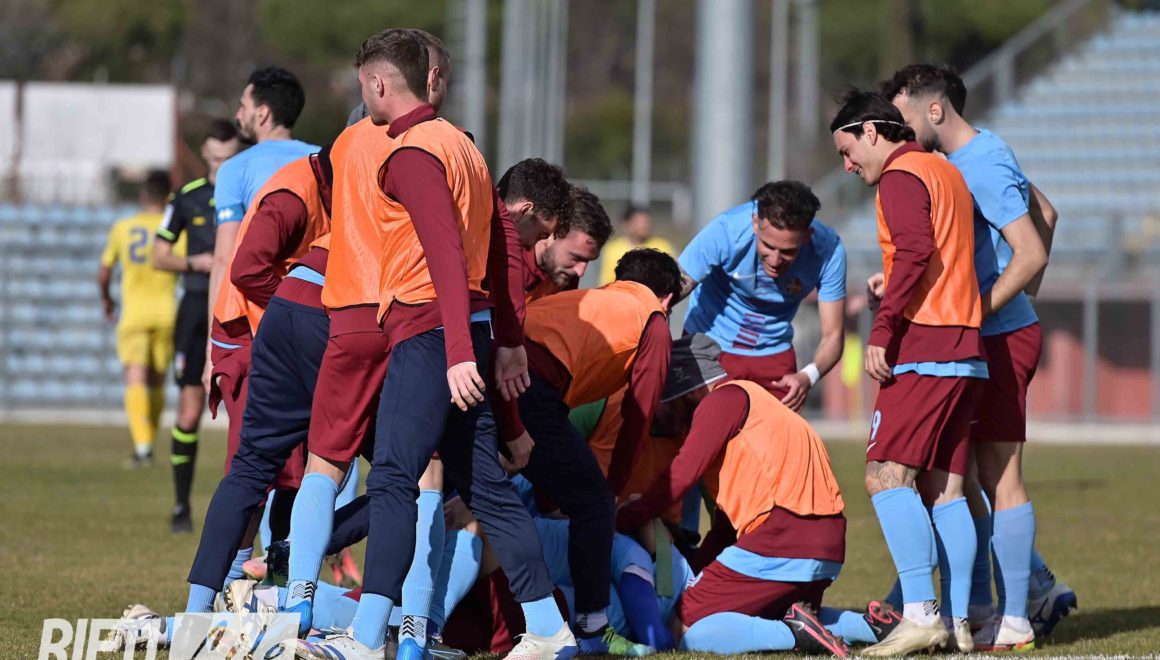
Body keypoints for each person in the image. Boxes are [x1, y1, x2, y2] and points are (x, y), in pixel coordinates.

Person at [294, 29, 571, 660]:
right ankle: (550, 630)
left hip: (428, 333)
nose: (363, 97)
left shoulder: (413, 152)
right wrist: (502, 340)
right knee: (487, 490)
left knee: (393, 478)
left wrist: (456, 352)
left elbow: (444, 251)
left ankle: (367, 639)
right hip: (462, 329)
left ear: (379, 83)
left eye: (363, 86)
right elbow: (499, 248)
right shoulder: (464, 146)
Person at [882, 63, 1072, 650]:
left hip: (997, 338)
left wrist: (980, 309)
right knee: (960, 480)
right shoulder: (978, 154)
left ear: (935, 109)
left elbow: (1031, 250)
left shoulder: (980, 162)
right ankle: (987, 605)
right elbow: (1047, 212)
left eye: (904, 117)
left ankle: (1018, 616)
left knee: (998, 476)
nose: (900, 130)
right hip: (989, 334)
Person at [830, 89, 987, 655]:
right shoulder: (943, 169)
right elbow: (936, 253)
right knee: (945, 489)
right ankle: (959, 619)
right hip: (966, 346)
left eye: (847, 151)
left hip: (928, 345)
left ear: (871, 131)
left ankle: (921, 614)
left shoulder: (899, 175)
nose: (848, 166)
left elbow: (917, 251)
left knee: (884, 475)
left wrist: (883, 327)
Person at [616, 334, 850, 657]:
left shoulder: (722, 401)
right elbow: (726, 527)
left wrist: (624, 518)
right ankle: (874, 625)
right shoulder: (756, 408)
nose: (659, 412)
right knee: (770, 615)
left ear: (686, 387)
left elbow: (680, 475)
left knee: (684, 630)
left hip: (782, 537)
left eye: (663, 399)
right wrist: (698, 572)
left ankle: (794, 635)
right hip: (826, 543)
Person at [495, 248, 678, 655]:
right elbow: (639, 414)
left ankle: (401, 613)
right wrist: (611, 493)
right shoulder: (650, 322)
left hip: (493, 363)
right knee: (593, 502)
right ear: (666, 300)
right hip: (529, 387)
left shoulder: (596, 302)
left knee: (422, 486)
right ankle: (591, 631)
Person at [677, 181, 846, 411]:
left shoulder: (829, 251)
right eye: (768, 246)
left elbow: (833, 335)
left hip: (773, 353)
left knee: (780, 433)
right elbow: (677, 285)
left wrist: (808, 375)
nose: (775, 261)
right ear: (755, 223)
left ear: (807, 236)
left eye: (787, 251)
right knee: (700, 425)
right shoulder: (727, 231)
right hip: (709, 344)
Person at [205, 65, 318, 395]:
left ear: (262, 113)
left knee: (254, 426)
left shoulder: (235, 169)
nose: (238, 114)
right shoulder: (323, 161)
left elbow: (225, 258)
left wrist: (211, 349)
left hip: (254, 324)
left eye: (243, 106)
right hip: (316, 313)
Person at [153, 119, 241, 532]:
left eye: (229, 159)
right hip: (194, 307)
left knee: (246, 413)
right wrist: (195, 262)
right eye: (216, 159)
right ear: (205, 154)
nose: (222, 166)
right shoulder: (186, 197)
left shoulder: (249, 190)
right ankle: (180, 506)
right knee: (188, 411)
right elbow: (159, 255)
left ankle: (245, 511)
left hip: (237, 306)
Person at [98, 171, 179, 469]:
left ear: (144, 195)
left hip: (134, 314)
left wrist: (107, 299)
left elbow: (104, 271)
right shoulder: (174, 227)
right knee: (157, 381)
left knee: (135, 378)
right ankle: (147, 442)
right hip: (167, 312)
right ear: (168, 197)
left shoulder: (123, 227)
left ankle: (143, 447)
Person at [523, 186, 612, 303]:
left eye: (587, 261)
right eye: (576, 258)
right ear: (551, 233)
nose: (580, 272)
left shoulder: (564, 278)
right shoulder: (504, 264)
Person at [599, 206, 674, 285]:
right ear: (627, 224)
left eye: (646, 222)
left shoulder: (663, 246)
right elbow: (607, 281)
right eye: (638, 222)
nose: (644, 226)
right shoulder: (613, 249)